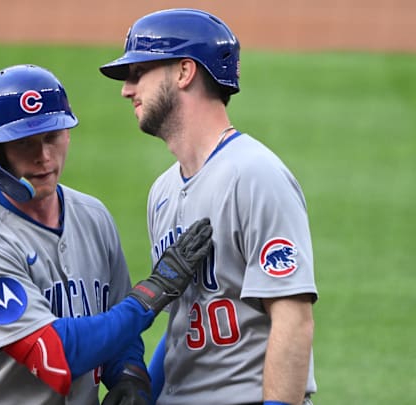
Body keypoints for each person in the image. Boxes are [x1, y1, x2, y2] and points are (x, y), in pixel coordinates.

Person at [0, 64, 213, 405]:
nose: (43, 157)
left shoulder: (92, 217)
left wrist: (129, 374)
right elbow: (54, 354)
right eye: (24, 143)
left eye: (51, 137)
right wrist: (152, 294)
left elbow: (117, 331)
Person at [99, 8, 318, 405]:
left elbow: (293, 318)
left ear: (184, 72)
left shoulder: (254, 175)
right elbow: (183, 321)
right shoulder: (161, 192)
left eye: (138, 73)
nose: (127, 90)